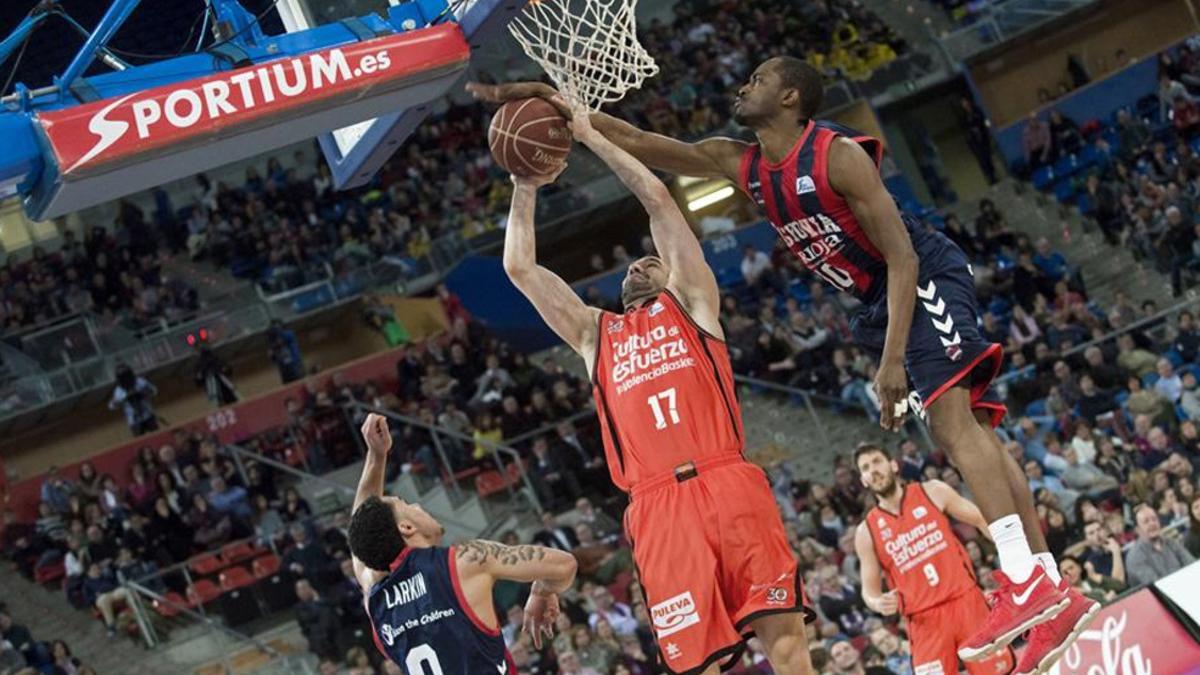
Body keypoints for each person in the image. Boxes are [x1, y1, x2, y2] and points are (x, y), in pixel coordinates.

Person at [473, 56, 1090, 673]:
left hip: (915, 277)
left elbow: (902, 255)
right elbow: (634, 142)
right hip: (864, 307)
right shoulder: (734, 166)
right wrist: (551, 106)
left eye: (759, 79)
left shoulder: (835, 158)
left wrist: (892, 360)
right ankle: (1044, 585)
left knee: (954, 425)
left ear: (791, 96)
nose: (744, 84)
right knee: (973, 428)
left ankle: (1023, 573)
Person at [499, 110, 814, 675]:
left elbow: (659, 201)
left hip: (726, 479)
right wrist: (524, 184)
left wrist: (592, 136)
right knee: (697, 665)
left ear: (674, 274)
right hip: (657, 506)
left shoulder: (693, 306)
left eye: (651, 261)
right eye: (630, 265)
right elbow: (520, 267)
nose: (638, 265)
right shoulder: (596, 334)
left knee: (786, 639)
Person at [347, 414, 578, 673]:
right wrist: (542, 592)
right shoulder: (464, 562)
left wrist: (376, 457)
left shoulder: (376, 599)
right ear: (407, 527)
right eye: (404, 503)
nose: (417, 505)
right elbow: (565, 565)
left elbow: (361, 535)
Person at [853, 444, 1021, 675]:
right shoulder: (866, 531)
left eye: (877, 462)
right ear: (863, 480)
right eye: (865, 468)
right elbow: (869, 591)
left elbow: (982, 520)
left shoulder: (932, 491)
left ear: (893, 465)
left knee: (1001, 673)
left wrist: (1014, 554)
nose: (873, 470)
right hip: (923, 621)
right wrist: (877, 602)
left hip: (965, 602)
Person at [1125, 503, 1195, 586]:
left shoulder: (1170, 542)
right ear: (1137, 530)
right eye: (1146, 521)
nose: (1152, 523)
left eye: (1154, 519)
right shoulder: (1134, 557)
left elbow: (1192, 565)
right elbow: (1157, 586)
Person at [108, 364, 158, 436]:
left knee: (156, 436)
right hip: (134, 421)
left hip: (148, 415)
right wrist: (123, 399)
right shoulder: (118, 391)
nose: (126, 380)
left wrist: (143, 392)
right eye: (123, 378)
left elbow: (154, 390)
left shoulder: (140, 382)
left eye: (127, 377)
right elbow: (111, 406)